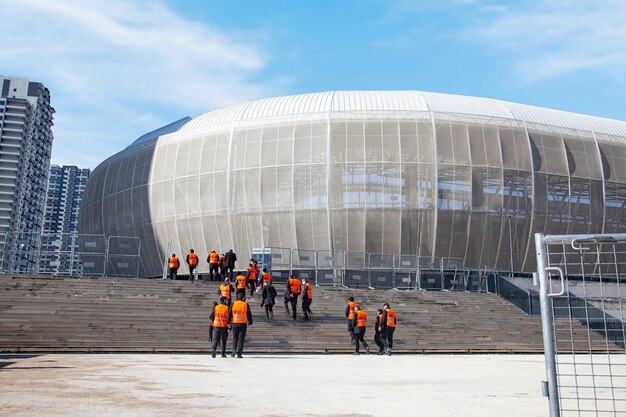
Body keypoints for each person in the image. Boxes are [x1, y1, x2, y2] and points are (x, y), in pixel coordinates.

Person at [229, 292, 253, 358]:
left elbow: (230, 313)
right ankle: (239, 353)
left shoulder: (233, 304)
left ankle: (234, 349)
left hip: (235, 323)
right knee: (241, 339)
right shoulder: (246, 304)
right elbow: (249, 314)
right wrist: (250, 322)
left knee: (235, 338)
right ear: (243, 298)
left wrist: (228, 322)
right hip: (243, 324)